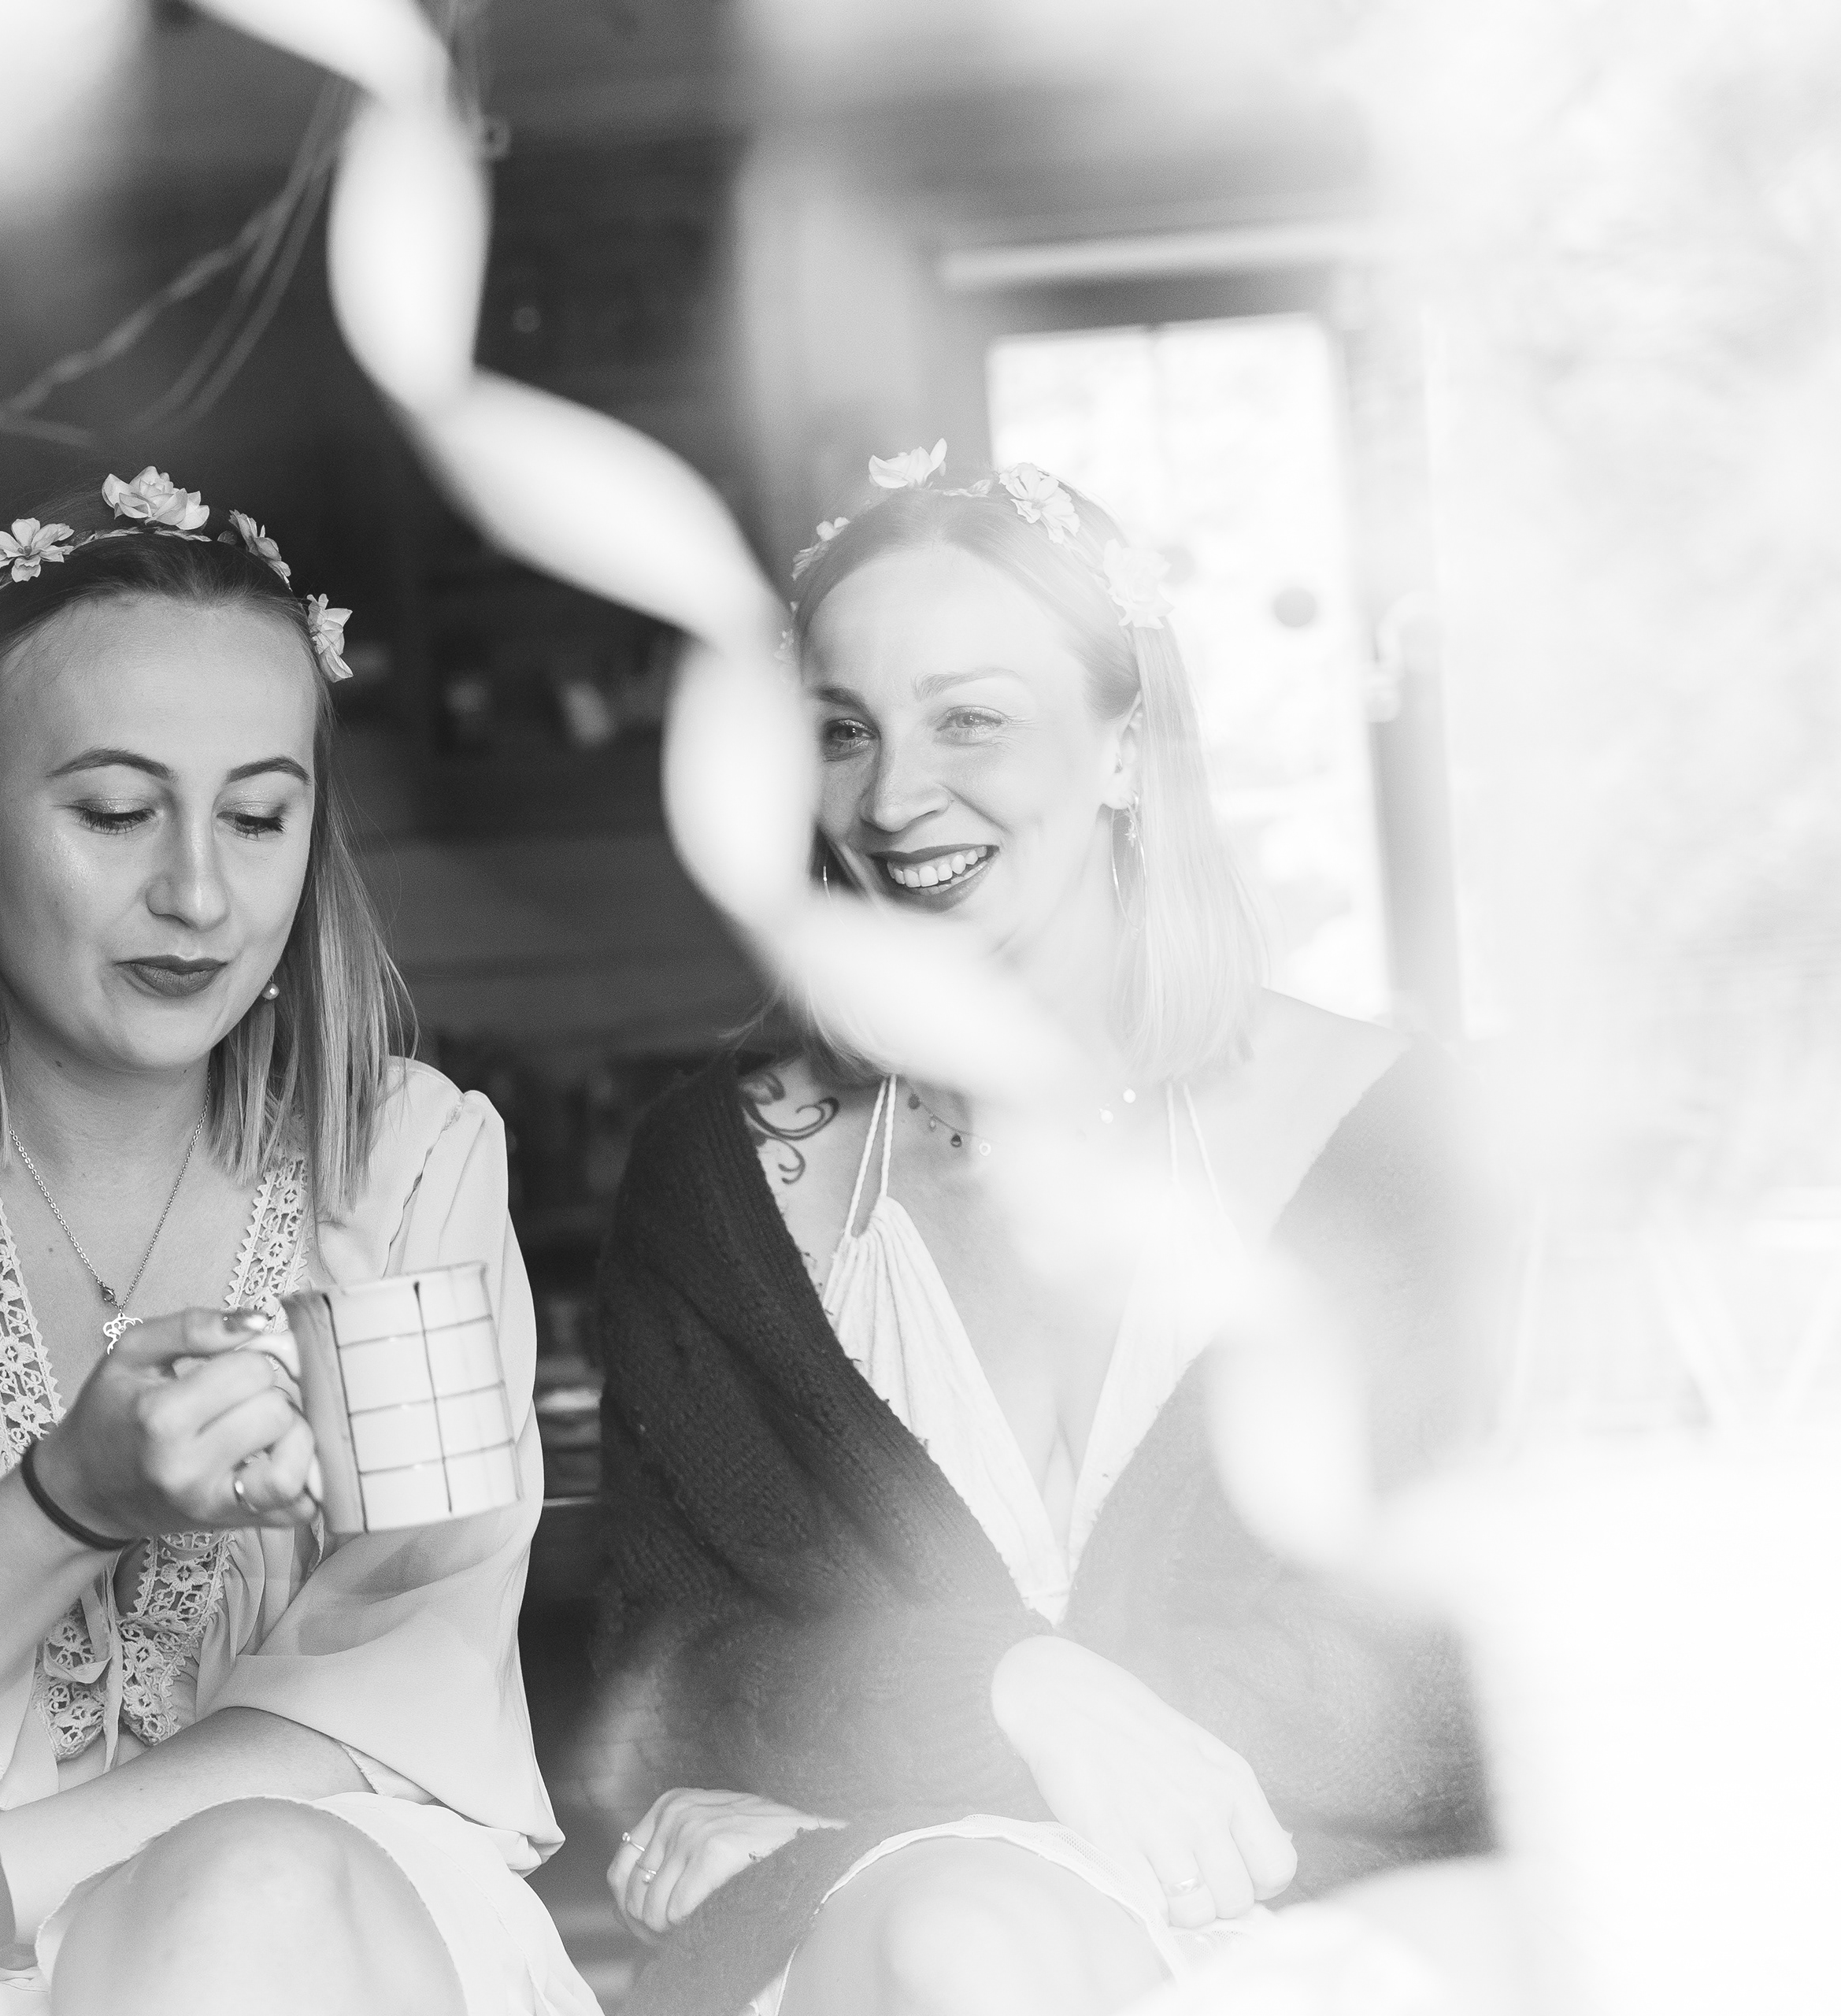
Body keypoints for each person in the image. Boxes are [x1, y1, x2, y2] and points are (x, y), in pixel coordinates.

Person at [0, 470, 597, 2016]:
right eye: (116, 813)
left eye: (259, 817)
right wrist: (65, 1504)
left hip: (328, 1927)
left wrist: (2, 1872)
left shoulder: (405, 1168)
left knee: (249, 1892)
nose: (199, 893)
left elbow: (407, 1688)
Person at [587, 450, 1491, 2016]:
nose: (891, 799)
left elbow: (1430, 1676)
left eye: (971, 719)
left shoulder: (1388, 1132)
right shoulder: (719, 1175)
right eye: (843, 731)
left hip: (1312, 1910)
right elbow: (678, 1673)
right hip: (887, 1931)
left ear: (1126, 745)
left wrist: (930, 1746)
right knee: (956, 1936)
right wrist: (1009, 1684)